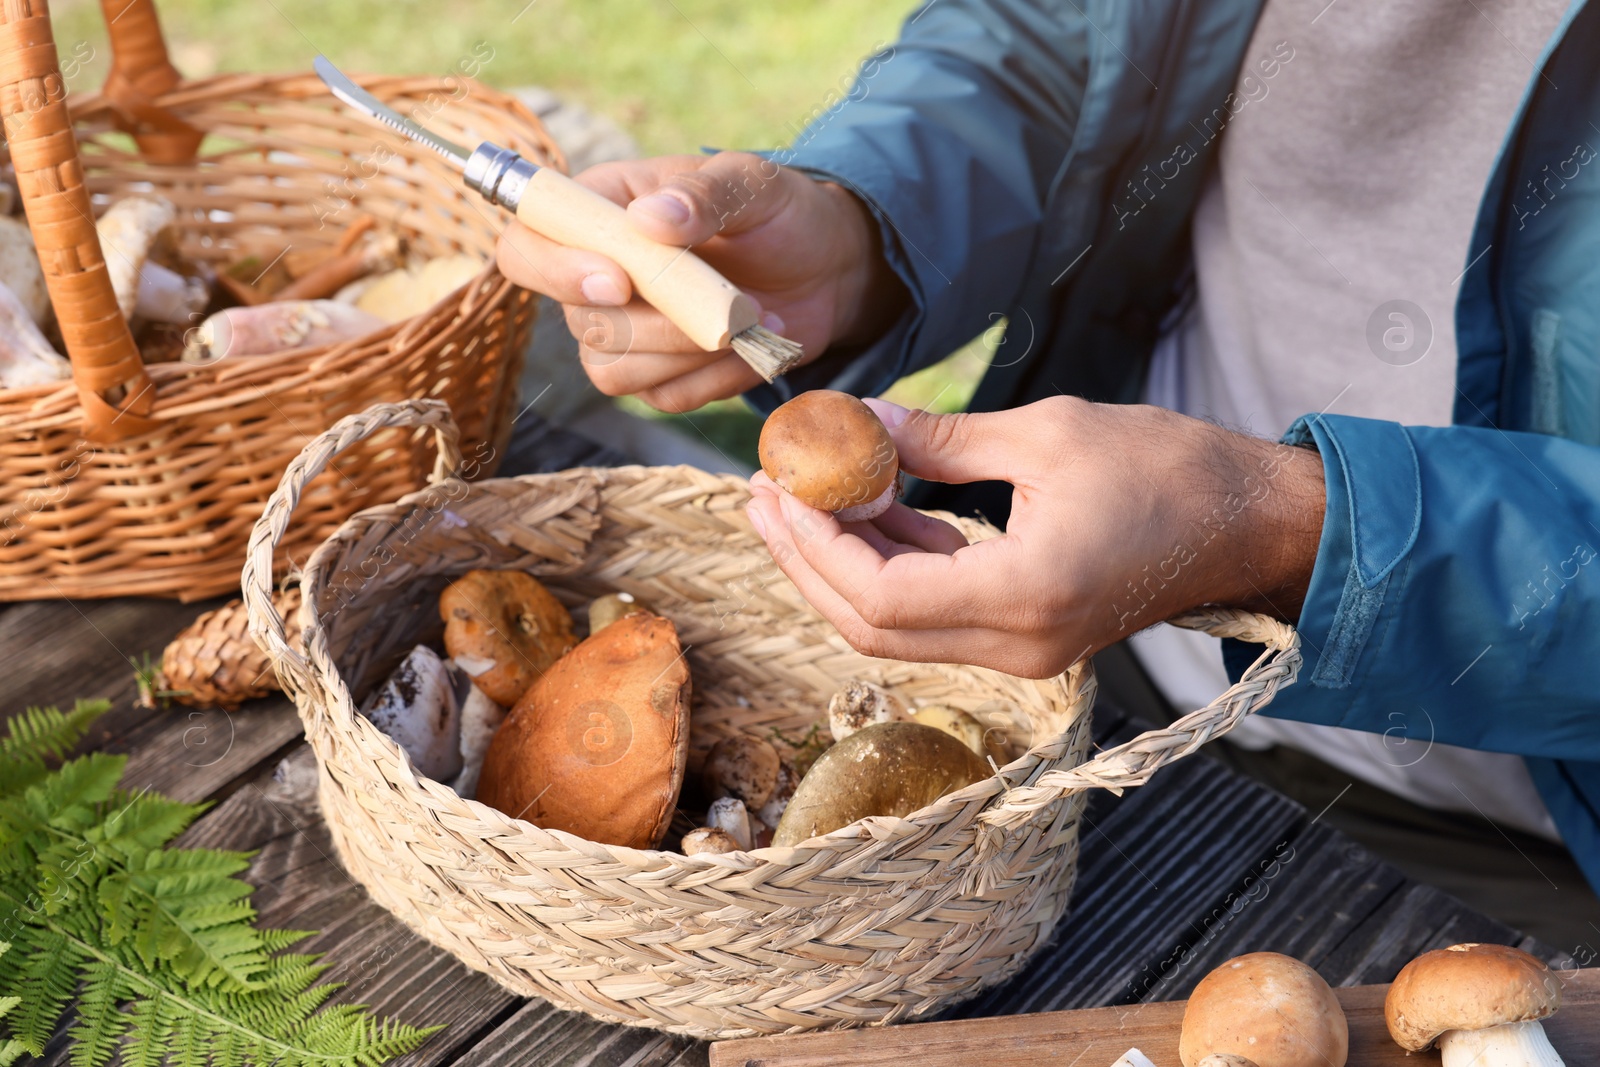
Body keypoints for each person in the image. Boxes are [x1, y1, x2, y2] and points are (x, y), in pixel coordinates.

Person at [496, 0, 1600, 951]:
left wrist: (1286, 535)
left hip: (1512, 838)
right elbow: (1066, 38)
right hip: (1091, 682)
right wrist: (861, 226)